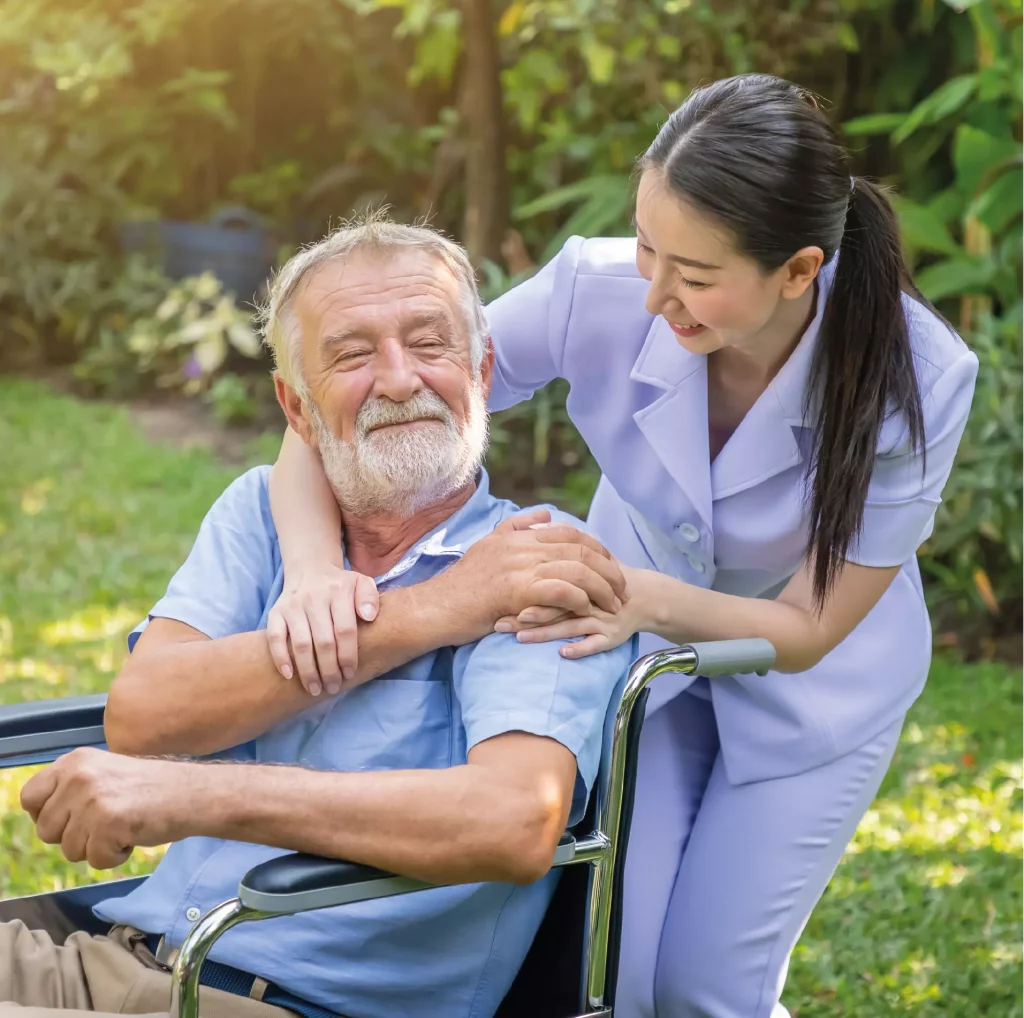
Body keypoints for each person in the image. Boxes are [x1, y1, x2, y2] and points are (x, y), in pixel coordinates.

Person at [267, 75, 979, 1017]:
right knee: (614, 977)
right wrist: (314, 572)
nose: (653, 295)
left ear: (799, 270)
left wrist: (633, 596)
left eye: (693, 275)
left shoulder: (919, 376)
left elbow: (808, 628)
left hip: (813, 690)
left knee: (706, 989)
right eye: (647, 246)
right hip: (639, 670)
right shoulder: (593, 291)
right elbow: (350, 406)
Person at [4, 220, 634, 1018]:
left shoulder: (533, 562)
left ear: (480, 372)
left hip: (286, 1004)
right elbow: (143, 714)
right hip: (106, 964)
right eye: (352, 354)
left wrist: (192, 797)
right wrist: (434, 610)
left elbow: (513, 821)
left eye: (429, 343)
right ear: (296, 410)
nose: (400, 379)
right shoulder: (259, 519)